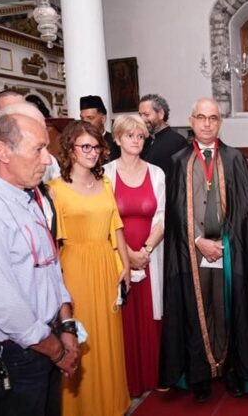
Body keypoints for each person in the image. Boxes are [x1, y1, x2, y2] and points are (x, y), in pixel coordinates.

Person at [0, 111, 79, 416]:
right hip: (20, 355)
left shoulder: (27, 199)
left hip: (49, 340)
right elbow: (5, 308)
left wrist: (67, 326)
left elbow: (52, 270)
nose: (47, 159)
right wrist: (58, 352)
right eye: (38, 149)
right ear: (3, 151)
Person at [159, 97, 248, 403]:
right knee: (196, 311)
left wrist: (224, 242)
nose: (207, 124)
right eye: (201, 117)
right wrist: (198, 240)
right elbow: (174, 211)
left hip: (227, 251)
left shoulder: (234, 159)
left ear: (219, 122)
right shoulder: (178, 161)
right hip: (191, 252)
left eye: (213, 118)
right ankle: (200, 375)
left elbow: (245, 209)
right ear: (191, 121)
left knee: (227, 309)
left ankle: (232, 369)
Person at [48, 120, 130, 416]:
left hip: (107, 267)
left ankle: (112, 405)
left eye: (96, 147)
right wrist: (57, 285)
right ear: (70, 149)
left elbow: (116, 227)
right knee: (81, 339)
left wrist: (125, 266)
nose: (93, 152)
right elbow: (53, 244)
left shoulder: (105, 182)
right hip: (75, 270)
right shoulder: (54, 189)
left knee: (108, 340)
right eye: (85, 146)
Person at [103, 114, 165, 397]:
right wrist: (128, 255)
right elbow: (105, 219)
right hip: (118, 255)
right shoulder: (104, 174)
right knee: (123, 318)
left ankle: (152, 376)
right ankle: (126, 382)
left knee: (151, 316)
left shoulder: (157, 173)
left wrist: (146, 250)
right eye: (130, 135)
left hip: (151, 255)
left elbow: (163, 216)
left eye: (140, 136)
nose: (136, 140)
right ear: (117, 139)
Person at [138, 93, 188, 176]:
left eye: (146, 114)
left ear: (160, 114)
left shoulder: (177, 142)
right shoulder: (143, 140)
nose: (142, 119)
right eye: (140, 115)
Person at [79, 94, 120, 161]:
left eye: (90, 118)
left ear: (103, 119)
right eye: (82, 118)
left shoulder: (115, 143)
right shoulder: (77, 143)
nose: (85, 122)